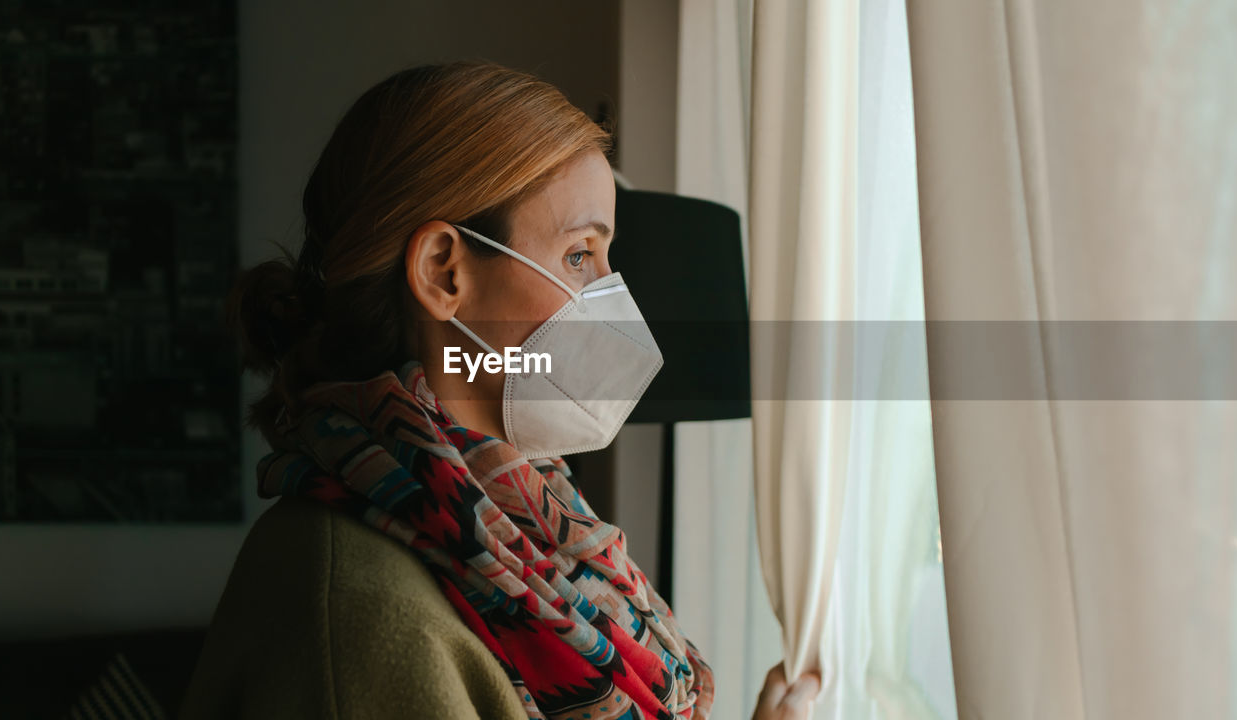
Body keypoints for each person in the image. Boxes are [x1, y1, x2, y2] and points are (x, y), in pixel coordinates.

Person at [181, 60, 821, 720]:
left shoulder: (523, 527)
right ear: (443, 273)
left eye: (607, 259)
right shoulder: (353, 604)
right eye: (579, 255)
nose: (612, 297)